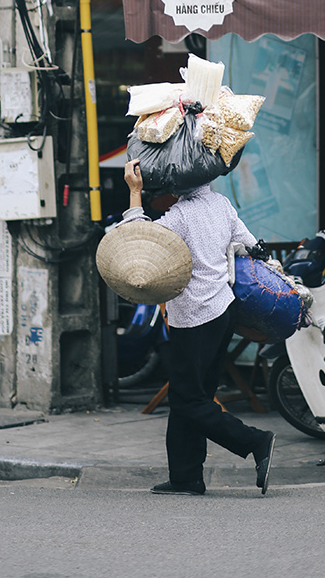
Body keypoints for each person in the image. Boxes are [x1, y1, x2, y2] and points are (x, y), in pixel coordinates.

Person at [117, 157, 276, 496]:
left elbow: (139, 240)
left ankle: (255, 441)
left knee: (187, 400)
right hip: (223, 311)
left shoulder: (181, 216)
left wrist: (135, 192)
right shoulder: (221, 204)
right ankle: (186, 477)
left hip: (195, 317)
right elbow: (248, 242)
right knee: (193, 396)